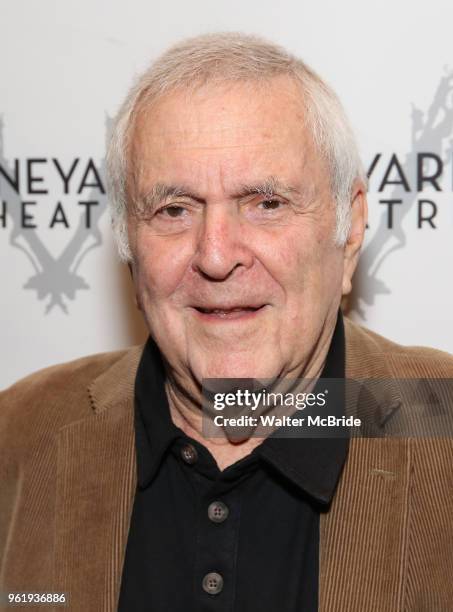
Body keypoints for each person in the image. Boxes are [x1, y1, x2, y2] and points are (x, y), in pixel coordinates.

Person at [1, 32, 453, 612]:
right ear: (128, 242)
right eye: (174, 209)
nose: (215, 255)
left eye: (266, 203)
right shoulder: (18, 435)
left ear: (350, 231)